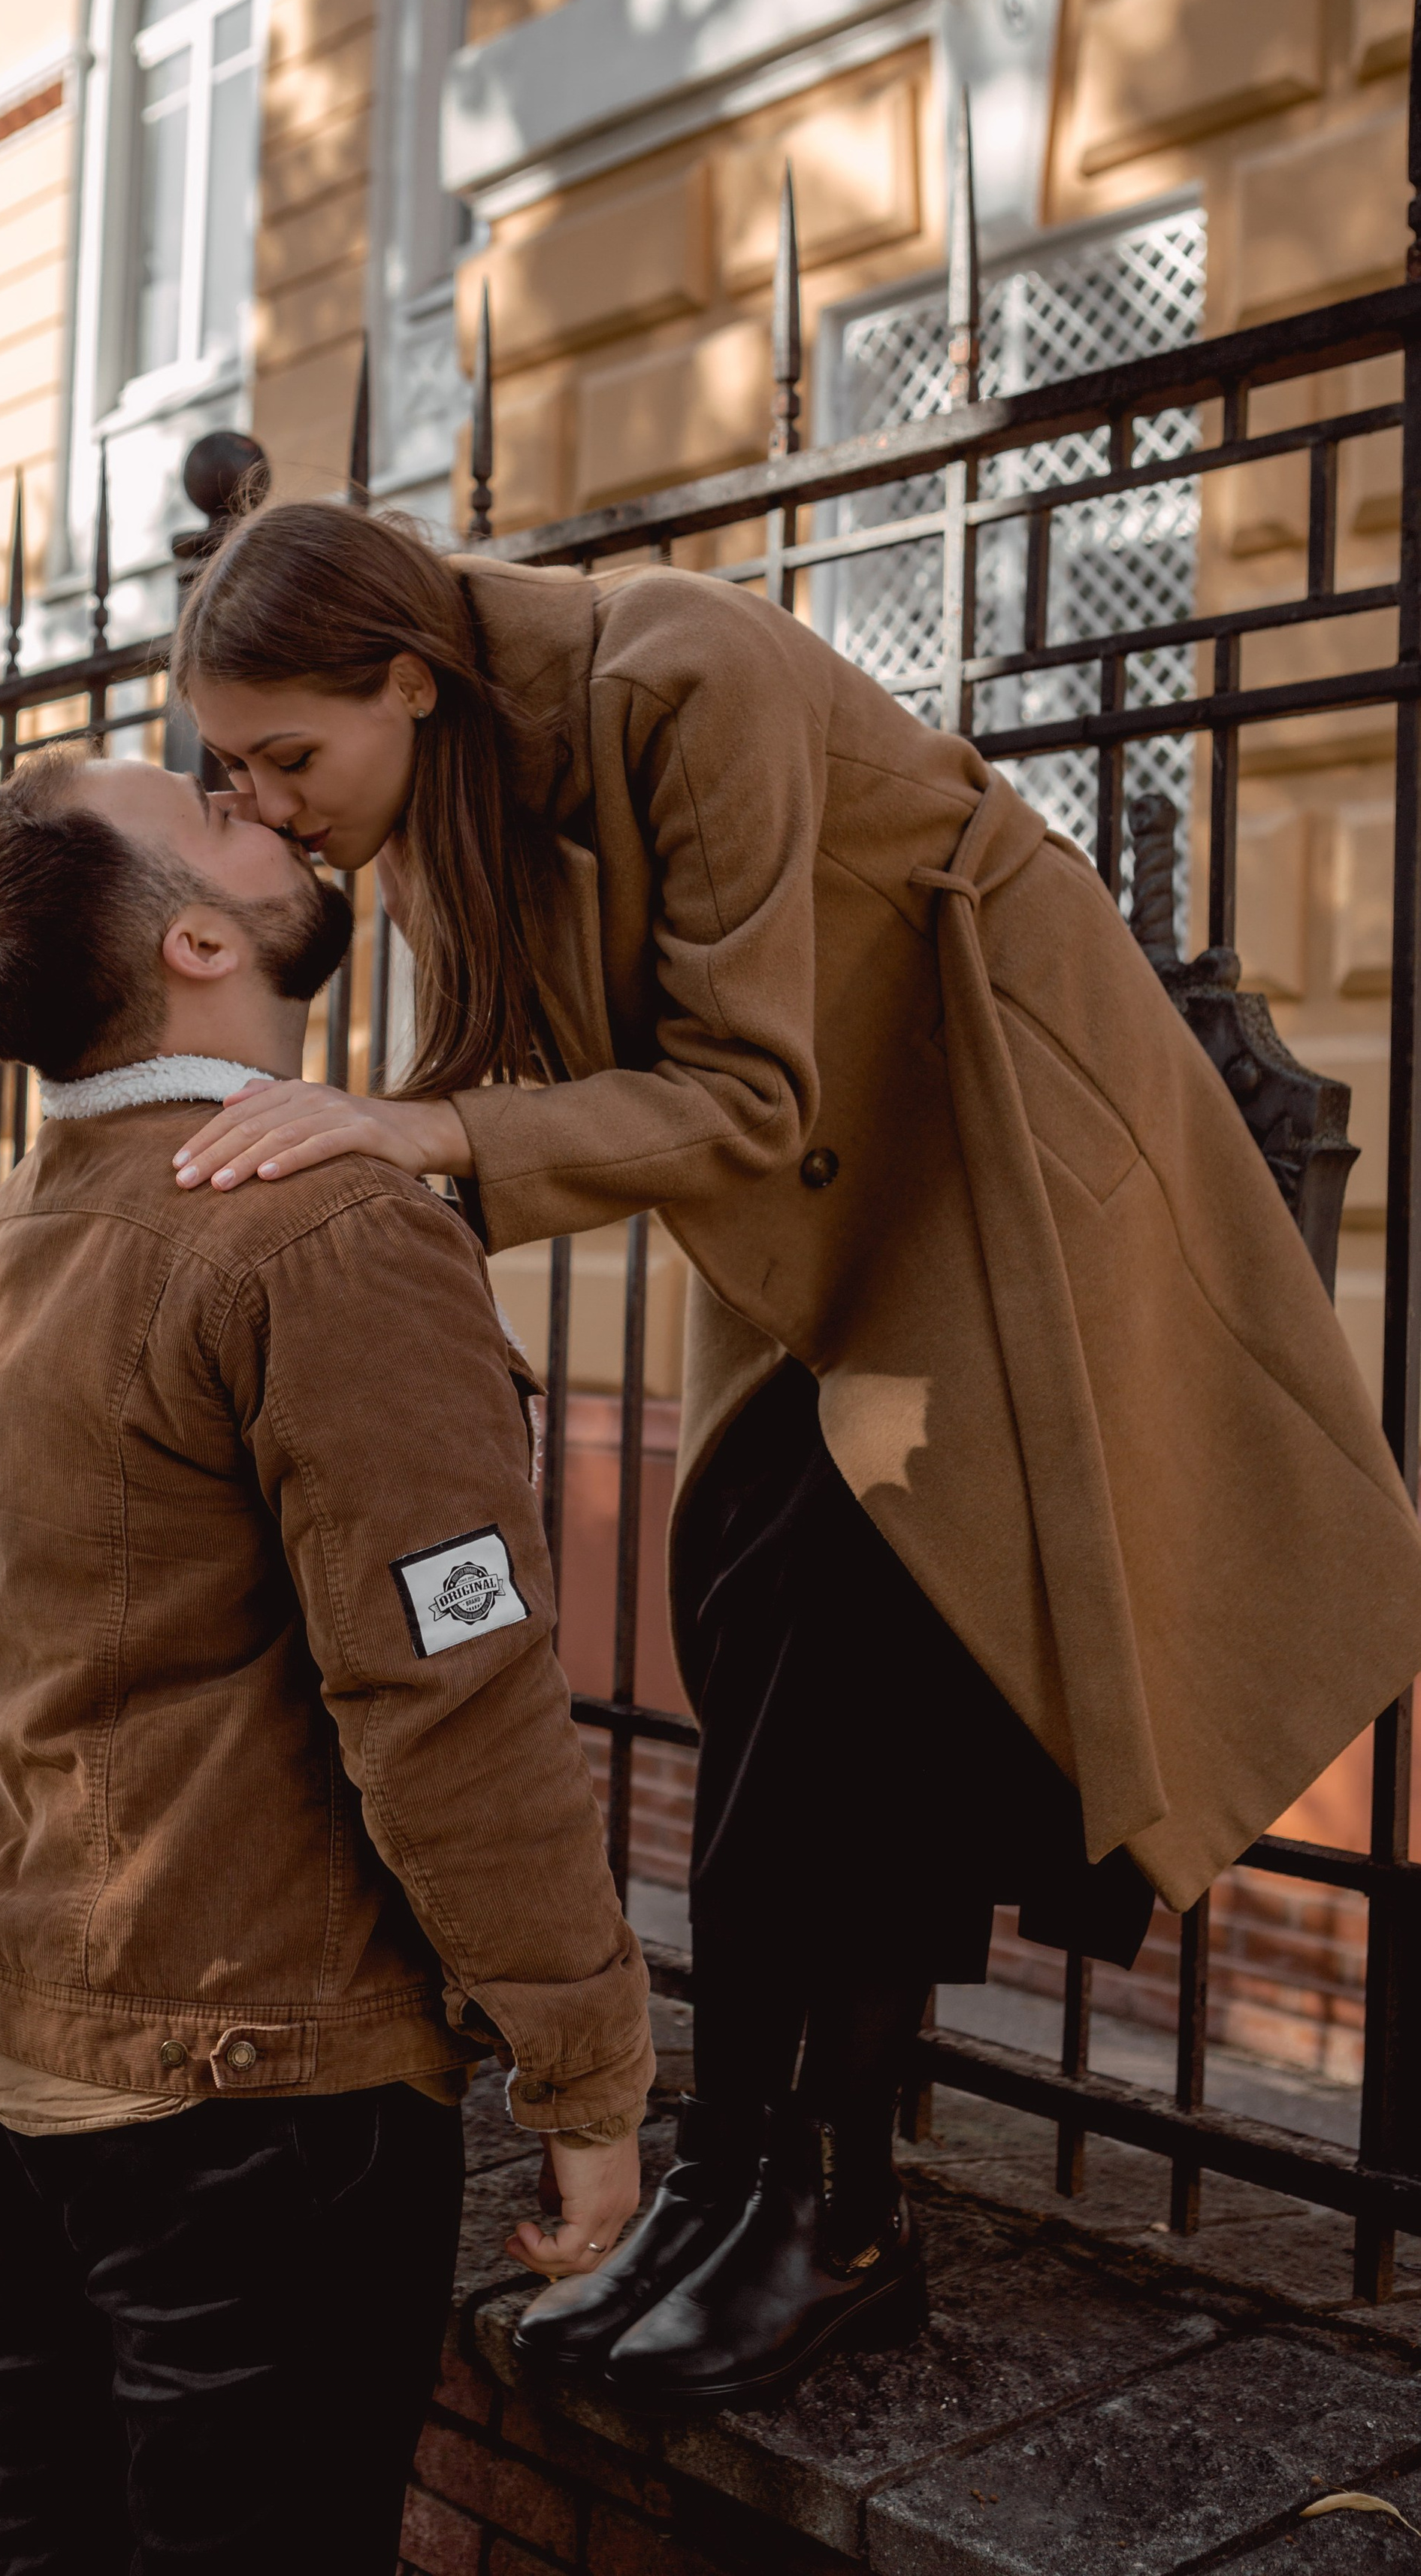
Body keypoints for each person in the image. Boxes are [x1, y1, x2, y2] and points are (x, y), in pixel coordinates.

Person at [168, 499, 1421, 2415]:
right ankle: (739, 2181)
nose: (262, 804)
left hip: (991, 1167)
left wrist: (414, 1147)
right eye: (223, 770)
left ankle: (834, 2223)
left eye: (285, 757)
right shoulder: (451, 823)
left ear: (406, 679)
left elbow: (740, 1097)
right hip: (821, 1235)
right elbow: (481, 1104)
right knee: (743, 1625)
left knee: (847, 1656)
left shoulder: (681, 672)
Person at [0, 742, 653, 2574]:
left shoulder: (33, 1222)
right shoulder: (321, 1232)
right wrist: (587, 2074)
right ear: (192, 945)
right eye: (214, 812)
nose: (271, 811)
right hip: (243, 2082)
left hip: (23, 2008)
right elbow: (452, 1683)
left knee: (28, 2514)